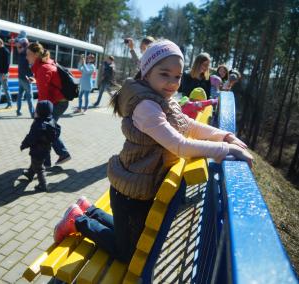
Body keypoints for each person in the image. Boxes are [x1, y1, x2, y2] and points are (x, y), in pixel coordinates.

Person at [52, 40, 253, 263]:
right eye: (164, 74)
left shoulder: (164, 100)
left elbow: (189, 125)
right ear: (147, 73)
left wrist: (224, 136)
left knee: (130, 239)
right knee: (127, 253)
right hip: (130, 191)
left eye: (177, 77)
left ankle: (88, 210)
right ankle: (78, 221)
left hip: (138, 184)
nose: (172, 83)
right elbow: (180, 146)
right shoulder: (146, 107)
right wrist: (224, 150)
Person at [26, 42, 71, 165]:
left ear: (36, 55)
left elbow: (43, 95)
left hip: (57, 103)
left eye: (28, 54)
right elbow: (49, 81)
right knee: (47, 129)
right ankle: (56, 157)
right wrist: (36, 80)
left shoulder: (43, 68)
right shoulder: (45, 64)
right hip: (57, 101)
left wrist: (37, 111)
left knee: (46, 129)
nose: (26, 57)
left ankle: (54, 158)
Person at [20, 100, 60, 191]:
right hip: (46, 149)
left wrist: (23, 145)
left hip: (37, 150)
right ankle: (29, 174)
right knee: (36, 163)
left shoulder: (38, 124)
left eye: (36, 110)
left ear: (39, 112)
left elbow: (30, 137)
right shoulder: (52, 121)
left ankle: (43, 185)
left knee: (39, 168)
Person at [15, 36, 35, 118]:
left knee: (20, 96)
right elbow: (29, 67)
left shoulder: (20, 54)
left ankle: (18, 111)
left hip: (20, 78)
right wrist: (31, 76)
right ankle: (32, 113)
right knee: (30, 97)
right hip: (26, 79)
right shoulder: (27, 55)